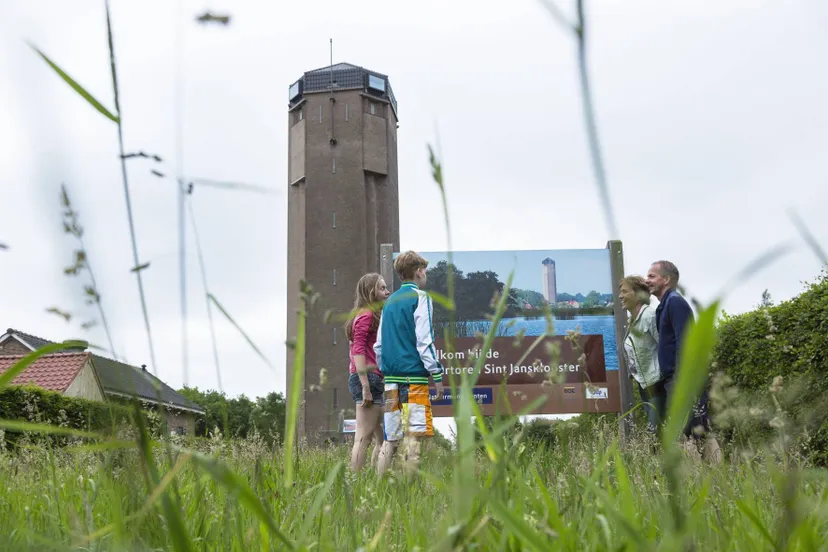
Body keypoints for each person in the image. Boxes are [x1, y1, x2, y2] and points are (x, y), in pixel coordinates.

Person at [374, 250, 444, 476]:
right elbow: (425, 341)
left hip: (391, 381)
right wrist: (437, 374)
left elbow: (379, 346)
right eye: (425, 271)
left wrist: (385, 371)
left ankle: (377, 485)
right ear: (419, 271)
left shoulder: (389, 302)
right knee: (413, 439)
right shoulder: (421, 298)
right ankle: (408, 491)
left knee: (390, 439)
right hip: (414, 379)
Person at [646, 260, 722, 462]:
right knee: (700, 429)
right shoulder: (665, 306)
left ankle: (695, 482)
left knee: (685, 432)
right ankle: (719, 479)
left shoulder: (675, 303)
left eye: (652, 276)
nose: (648, 280)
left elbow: (687, 344)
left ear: (667, 279)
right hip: (675, 380)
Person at [345, 273, 390, 472]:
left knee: (383, 438)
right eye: (382, 288)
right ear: (371, 291)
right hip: (367, 379)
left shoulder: (365, 315)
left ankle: (376, 482)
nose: (387, 292)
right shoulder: (366, 315)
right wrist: (365, 386)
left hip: (374, 378)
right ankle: (354, 483)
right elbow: (358, 350)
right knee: (363, 437)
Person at [618, 275, 665, 433]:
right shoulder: (632, 321)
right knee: (659, 435)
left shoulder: (650, 316)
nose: (620, 296)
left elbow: (665, 347)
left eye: (624, 292)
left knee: (655, 434)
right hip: (644, 386)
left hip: (657, 385)